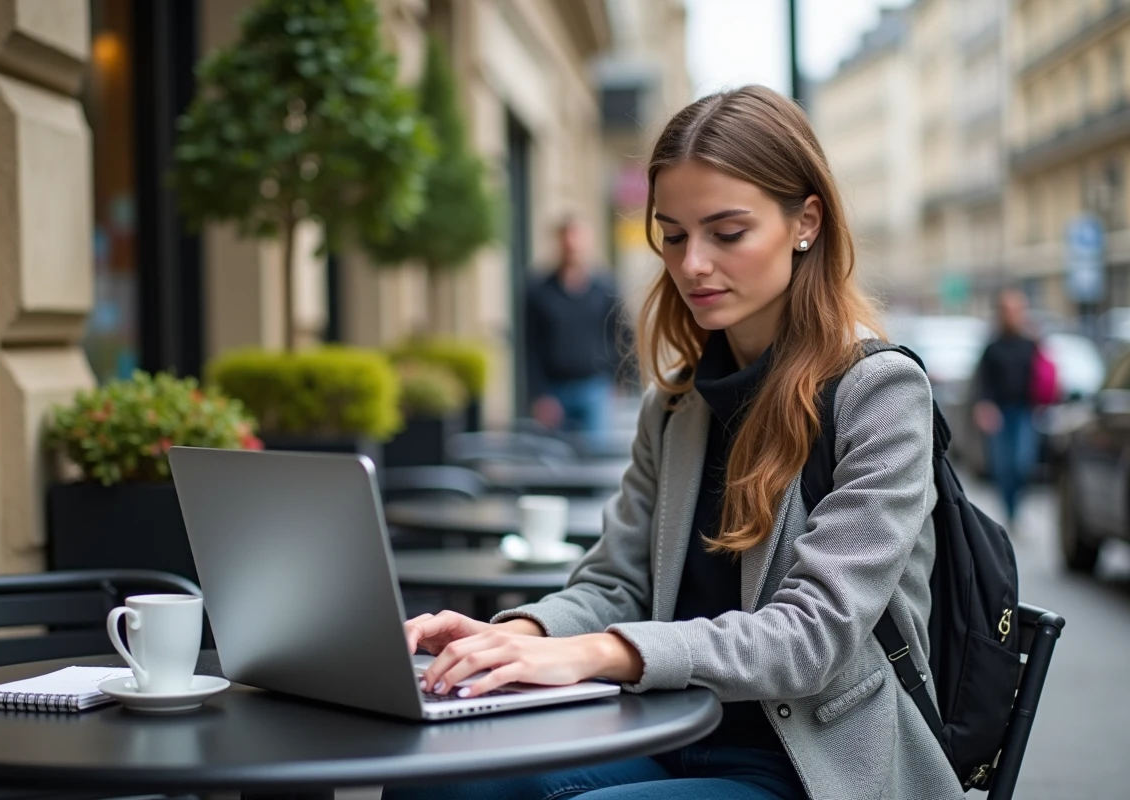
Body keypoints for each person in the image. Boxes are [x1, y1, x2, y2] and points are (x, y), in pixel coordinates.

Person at [388, 86, 959, 800]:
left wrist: (603, 652)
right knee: (436, 781)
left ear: (805, 221)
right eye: (674, 233)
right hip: (668, 736)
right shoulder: (679, 404)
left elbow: (811, 637)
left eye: (727, 232)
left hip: (815, 766)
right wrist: (522, 636)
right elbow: (615, 583)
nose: (691, 265)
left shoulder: (878, 391)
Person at [525, 216, 622, 446]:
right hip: (554, 390)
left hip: (595, 388)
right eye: (567, 240)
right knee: (555, 460)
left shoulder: (605, 289)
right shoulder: (539, 291)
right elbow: (531, 346)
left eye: (577, 239)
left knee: (595, 457)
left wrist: (620, 381)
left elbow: (622, 335)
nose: (572, 246)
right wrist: (539, 394)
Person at [973, 288, 1042, 532]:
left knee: (1023, 464)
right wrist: (984, 407)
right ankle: (1010, 512)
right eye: (1009, 310)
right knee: (1004, 467)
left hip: (1025, 412)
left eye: (1017, 310)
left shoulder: (1031, 343)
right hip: (1000, 414)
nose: (1013, 315)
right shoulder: (992, 347)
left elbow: (1044, 375)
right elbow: (981, 381)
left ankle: (1018, 507)